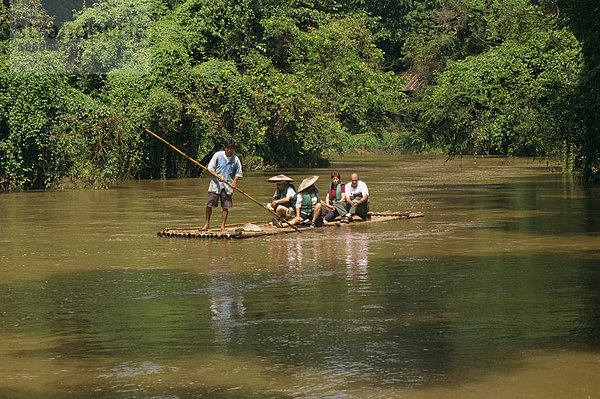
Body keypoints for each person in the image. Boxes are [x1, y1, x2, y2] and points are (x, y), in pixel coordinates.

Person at [202, 139, 243, 230]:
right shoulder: (218, 155)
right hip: (215, 185)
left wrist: (234, 182)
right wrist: (217, 176)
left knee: (225, 206)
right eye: (228, 148)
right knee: (210, 204)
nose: (229, 150)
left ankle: (222, 226)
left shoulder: (235, 159)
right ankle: (207, 224)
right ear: (225, 148)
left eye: (231, 148)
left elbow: (238, 173)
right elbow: (210, 168)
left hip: (227, 186)